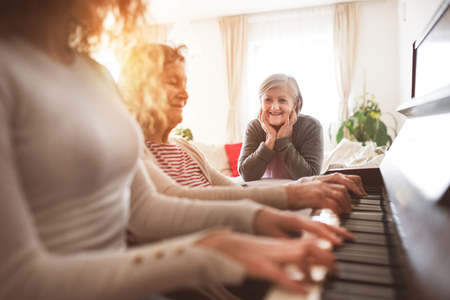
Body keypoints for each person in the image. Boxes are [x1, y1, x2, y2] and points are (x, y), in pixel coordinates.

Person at [0, 1, 354, 300]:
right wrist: (203, 253)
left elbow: (146, 205)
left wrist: (269, 212)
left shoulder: (93, 73)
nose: (184, 94)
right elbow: (16, 280)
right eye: (171, 83)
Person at [119, 43, 365, 216]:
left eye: (185, 83)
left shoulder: (185, 147)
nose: (186, 94)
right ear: (140, 90)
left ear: (295, 103)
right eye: (173, 83)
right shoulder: (130, 151)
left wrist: (311, 182)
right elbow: (181, 203)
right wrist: (274, 147)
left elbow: (233, 189)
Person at [239, 74, 324, 181]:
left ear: (295, 103)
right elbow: (246, 175)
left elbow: (310, 177)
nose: (274, 107)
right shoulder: (254, 127)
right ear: (260, 101)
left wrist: (283, 141)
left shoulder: (311, 126)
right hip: (264, 194)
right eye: (268, 99)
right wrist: (270, 140)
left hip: (300, 194)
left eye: (282, 100)